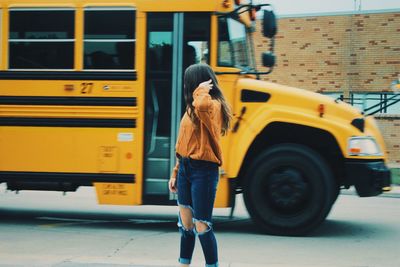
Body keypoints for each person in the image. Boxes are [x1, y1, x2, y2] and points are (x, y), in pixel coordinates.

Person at [168, 63, 232, 267]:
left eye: (189, 82)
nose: (185, 86)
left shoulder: (212, 106)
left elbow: (203, 106)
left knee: (202, 225)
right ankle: (183, 264)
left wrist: (203, 90)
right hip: (186, 169)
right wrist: (175, 172)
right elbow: (183, 143)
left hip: (204, 171)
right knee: (186, 225)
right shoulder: (190, 108)